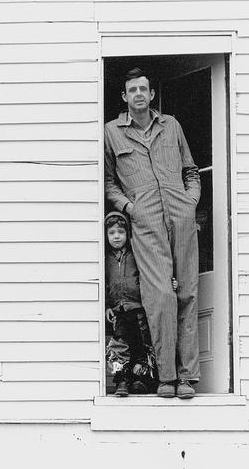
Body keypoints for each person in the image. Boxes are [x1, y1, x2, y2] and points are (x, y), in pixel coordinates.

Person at [104, 67, 201, 399]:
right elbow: (108, 183)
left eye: (143, 89)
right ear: (124, 96)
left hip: (180, 214)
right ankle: (166, 376)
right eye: (132, 90)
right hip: (145, 220)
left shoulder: (171, 125)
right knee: (160, 297)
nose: (139, 95)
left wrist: (189, 203)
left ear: (151, 94)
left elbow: (191, 170)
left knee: (186, 292)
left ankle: (188, 376)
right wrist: (130, 209)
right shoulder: (112, 132)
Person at [104, 211, 158, 396]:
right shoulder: (105, 258)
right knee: (120, 346)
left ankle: (140, 380)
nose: (116, 236)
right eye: (111, 233)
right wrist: (107, 306)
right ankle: (122, 381)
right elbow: (104, 284)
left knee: (142, 345)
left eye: (120, 232)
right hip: (119, 311)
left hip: (138, 307)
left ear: (128, 234)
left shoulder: (136, 254)